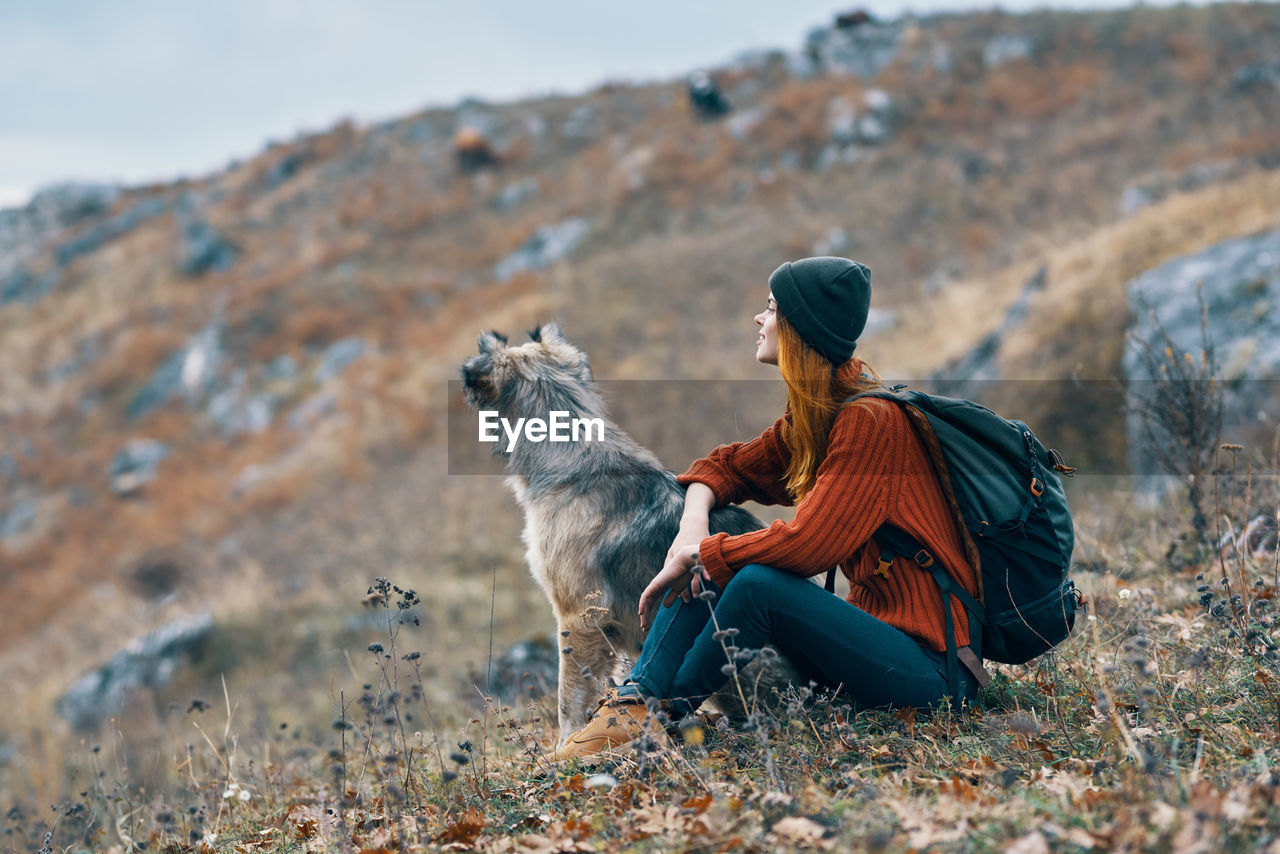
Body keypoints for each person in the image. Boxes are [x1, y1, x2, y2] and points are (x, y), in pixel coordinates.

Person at [550, 256, 984, 762]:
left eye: (772, 308)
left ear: (801, 328)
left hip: (932, 673)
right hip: (873, 649)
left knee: (747, 579)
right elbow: (720, 468)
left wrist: (704, 554)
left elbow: (810, 547)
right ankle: (630, 708)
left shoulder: (872, 424)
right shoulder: (820, 414)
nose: (759, 319)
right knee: (715, 563)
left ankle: (654, 718)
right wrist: (691, 532)